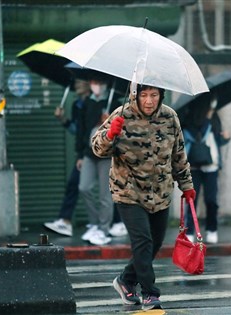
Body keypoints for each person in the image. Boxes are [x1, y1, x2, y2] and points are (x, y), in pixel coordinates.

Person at [91, 84, 196, 310]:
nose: (149, 101)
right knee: (143, 241)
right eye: (144, 95)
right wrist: (110, 135)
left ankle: (126, 280)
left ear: (161, 96)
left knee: (154, 243)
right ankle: (149, 293)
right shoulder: (121, 114)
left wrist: (186, 185)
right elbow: (97, 149)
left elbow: (178, 154)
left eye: (154, 95)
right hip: (128, 191)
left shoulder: (170, 117)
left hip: (160, 192)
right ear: (135, 96)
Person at [76, 74, 121, 245]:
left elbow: (122, 131)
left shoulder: (114, 102)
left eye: (99, 82)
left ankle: (104, 229)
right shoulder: (86, 103)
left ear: (105, 83)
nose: (96, 85)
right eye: (93, 82)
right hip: (89, 153)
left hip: (107, 154)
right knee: (84, 187)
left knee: (105, 195)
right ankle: (94, 223)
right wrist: (79, 155)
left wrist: (109, 121)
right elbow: (81, 130)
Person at [44, 79, 91, 237]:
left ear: (89, 83)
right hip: (84, 153)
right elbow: (77, 131)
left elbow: (90, 133)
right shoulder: (77, 105)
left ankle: (114, 222)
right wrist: (62, 119)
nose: (76, 84)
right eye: (76, 81)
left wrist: (84, 155)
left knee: (108, 191)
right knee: (74, 185)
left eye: (80, 81)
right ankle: (65, 221)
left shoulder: (93, 103)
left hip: (94, 153)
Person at [182, 95, 231, 244]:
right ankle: (189, 230)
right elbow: (200, 135)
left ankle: (212, 229)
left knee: (211, 200)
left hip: (211, 166)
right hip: (194, 165)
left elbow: (217, 140)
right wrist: (208, 117)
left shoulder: (214, 118)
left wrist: (226, 137)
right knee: (191, 200)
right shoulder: (189, 118)